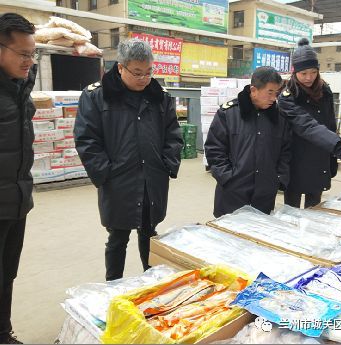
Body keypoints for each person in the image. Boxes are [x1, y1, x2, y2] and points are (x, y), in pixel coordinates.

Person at [74, 38, 183, 281]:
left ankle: (151, 283)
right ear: (120, 67)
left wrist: (167, 164)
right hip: (117, 179)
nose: (144, 78)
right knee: (117, 237)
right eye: (137, 73)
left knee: (149, 233)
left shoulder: (160, 96)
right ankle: (113, 286)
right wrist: (104, 173)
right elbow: (86, 139)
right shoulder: (96, 96)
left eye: (148, 72)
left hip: (152, 178)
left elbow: (173, 135)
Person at [278, 38, 341, 208]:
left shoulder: (325, 91)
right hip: (296, 160)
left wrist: (332, 157)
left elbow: (330, 124)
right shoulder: (287, 97)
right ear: (294, 72)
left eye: (313, 72)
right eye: (303, 73)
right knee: (292, 211)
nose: (309, 78)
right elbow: (305, 124)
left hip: (319, 157)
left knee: (314, 210)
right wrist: (336, 145)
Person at [205, 66, 291, 217]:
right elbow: (214, 149)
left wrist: (277, 180)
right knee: (228, 237)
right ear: (254, 90)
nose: (273, 98)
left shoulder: (279, 118)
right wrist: (228, 178)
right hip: (232, 194)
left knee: (257, 237)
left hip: (264, 196)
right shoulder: (228, 114)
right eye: (269, 92)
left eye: (276, 93)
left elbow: (286, 151)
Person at [0, 13, 36, 344]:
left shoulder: (20, 89)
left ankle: (3, 332)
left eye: (32, 53)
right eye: (23, 54)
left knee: (7, 274)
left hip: (17, 201)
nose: (29, 61)